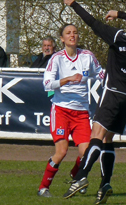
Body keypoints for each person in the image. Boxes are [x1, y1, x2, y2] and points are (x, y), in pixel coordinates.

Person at [62, 0, 126, 205]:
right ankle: (105, 183)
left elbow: (92, 23)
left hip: (113, 93)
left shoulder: (119, 37)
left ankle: (81, 176)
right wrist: (121, 14)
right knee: (108, 139)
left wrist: (73, 4)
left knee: (97, 135)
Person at [37, 24, 103, 197]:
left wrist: (116, 77)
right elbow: (47, 85)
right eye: (68, 33)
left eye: (75, 32)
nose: (72, 35)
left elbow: (100, 73)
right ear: (62, 38)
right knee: (62, 151)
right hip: (61, 111)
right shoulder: (57, 58)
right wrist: (67, 79)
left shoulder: (87, 56)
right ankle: (43, 188)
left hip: (81, 113)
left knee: (86, 152)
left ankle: (77, 175)